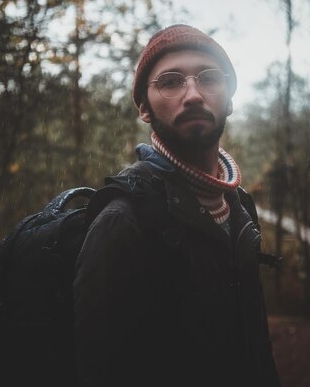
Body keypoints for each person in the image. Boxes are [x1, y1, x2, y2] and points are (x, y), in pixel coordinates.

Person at [73, 24, 281, 387]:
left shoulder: (240, 205)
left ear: (230, 100)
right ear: (144, 108)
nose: (194, 95)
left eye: (210, 78)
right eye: (170, 82)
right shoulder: (123, 222)